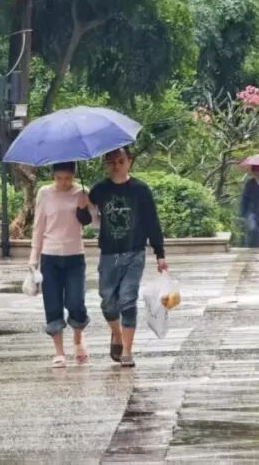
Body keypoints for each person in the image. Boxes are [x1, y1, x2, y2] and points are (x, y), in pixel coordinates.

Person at [89, 147, 167, 368]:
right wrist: (83, 204)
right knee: (107, 301)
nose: (116, 165)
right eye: (112, 161)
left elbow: (152, 221)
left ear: (129, 162)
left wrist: (160, 253)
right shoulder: (99, 189)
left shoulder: (140, 190)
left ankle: (127, 350)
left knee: (127, 298)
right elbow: (85, 219)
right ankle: (116, 334)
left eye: (120, 161)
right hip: (109, 253)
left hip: (135, 251)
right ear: (106, 163)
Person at [29, 161, 94, 368]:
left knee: (76, 301)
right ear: (53, 176)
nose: (63, 183)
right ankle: (59, 351)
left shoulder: (82, 192)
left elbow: (89, 221)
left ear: (74, 175)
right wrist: (33, 258)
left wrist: (85, 206)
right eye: (59, 178)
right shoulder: (44, 193)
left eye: (68, 178)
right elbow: (38, 226)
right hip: (50, 256)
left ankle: (78, 340)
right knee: (53, 303)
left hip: (75, 255)